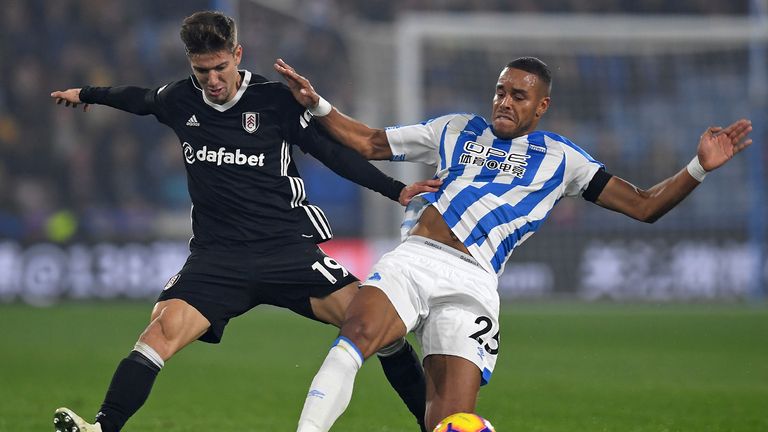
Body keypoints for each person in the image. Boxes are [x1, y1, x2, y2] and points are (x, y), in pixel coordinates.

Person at [273, 56, 754, 431]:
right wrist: (317, 104)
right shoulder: (456, 129)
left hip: (476, 283)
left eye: (519, 96)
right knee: (352, 341)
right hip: (416, 259)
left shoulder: (563, 160)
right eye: (500, 91)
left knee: (446, 423)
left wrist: (697, 169)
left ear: (541, 107)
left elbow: (645, 205)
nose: (504, 101)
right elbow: (370, 142)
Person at [49, 11, 439, 432]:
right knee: (159, 332)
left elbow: (332, 153)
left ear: (237, 55)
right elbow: (138, 98)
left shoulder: (275, 101)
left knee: (378, 327)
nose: (213, 81)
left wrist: (394, 190)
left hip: (287, 250)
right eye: (202, 71)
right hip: (218, 259)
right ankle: (102, 427)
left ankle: (433, 426)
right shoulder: (180, 99)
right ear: (190, 66)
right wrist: (87, 93)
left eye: (220, 68)